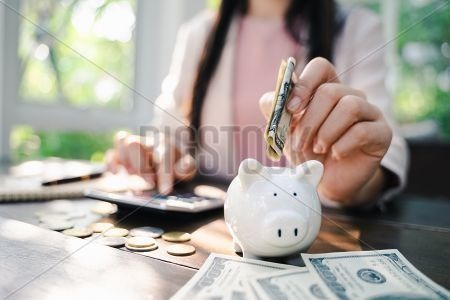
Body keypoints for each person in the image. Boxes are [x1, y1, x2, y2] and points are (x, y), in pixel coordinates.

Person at [106, 0, 408, 207]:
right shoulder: (198, 34)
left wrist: (353, 187)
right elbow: (167, 130)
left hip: (317, 223)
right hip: (215, 227)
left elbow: (384, 148)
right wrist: (156, 154)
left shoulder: (359, 28)